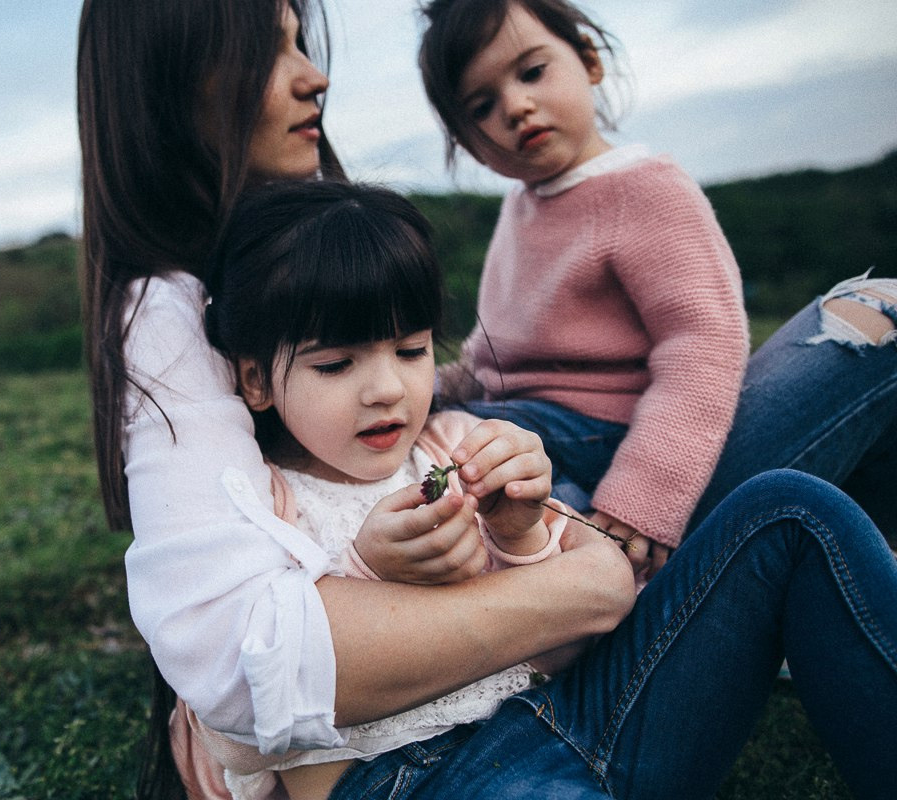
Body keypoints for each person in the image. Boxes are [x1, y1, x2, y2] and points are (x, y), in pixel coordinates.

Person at [76, 2, 897, 798]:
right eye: (269, 52)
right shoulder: (176, 326)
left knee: (816, 459)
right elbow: (242, 674)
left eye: (408, 350)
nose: (314, 76)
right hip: (457, 735)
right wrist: (582, 582)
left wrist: (539, 530)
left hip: (563, 603)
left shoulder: (412, 370)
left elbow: (700, 341)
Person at [419, 0, 897, 584]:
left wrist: (641, 496)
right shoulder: (523, 206)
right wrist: (420, 387)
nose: (515, 106)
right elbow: (490, 352)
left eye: (533, 72)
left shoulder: (644, 190)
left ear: (590, 61)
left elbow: (702, 343)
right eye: (481, 107)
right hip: (524, 428)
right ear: (467, 140)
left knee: (877, 312)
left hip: (610, 439)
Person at [201, 179, 598, 799]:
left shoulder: (454, 448)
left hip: (535, 733)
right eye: (335, 364)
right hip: (386, 780)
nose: (387, 389)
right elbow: (241, 722)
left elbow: (567, 641)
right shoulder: (262, 506)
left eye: (411, 350)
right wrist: (368, 574)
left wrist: (519, 534)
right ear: (256, 380)